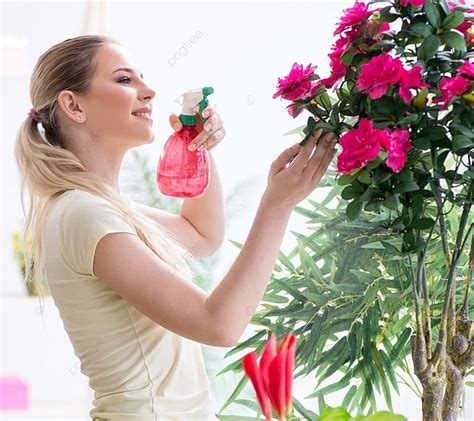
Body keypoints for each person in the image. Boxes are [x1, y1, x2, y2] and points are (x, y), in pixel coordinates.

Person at [14, 34, 337, 421]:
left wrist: (197, 146)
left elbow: (201, 235)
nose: (148, 92)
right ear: (73, 105)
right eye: (124, 80)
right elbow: (218, 325)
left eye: (142, 78)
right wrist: (277, 205)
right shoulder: (85, 213)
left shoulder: (100, 207)